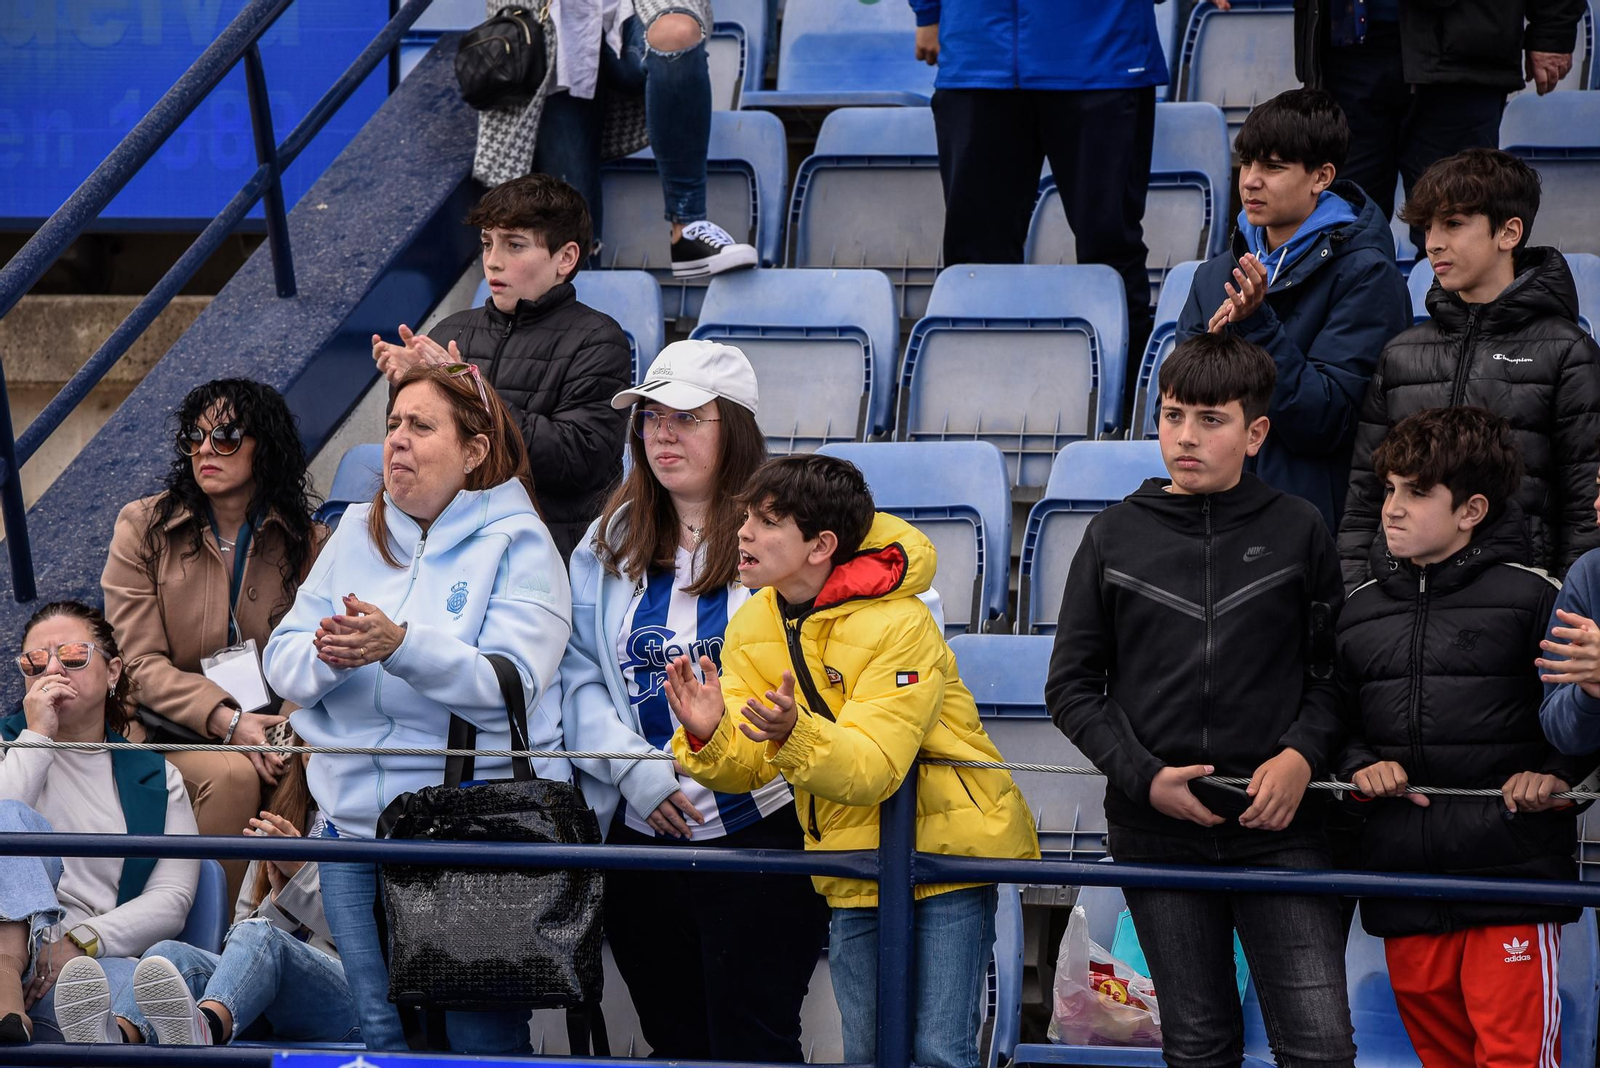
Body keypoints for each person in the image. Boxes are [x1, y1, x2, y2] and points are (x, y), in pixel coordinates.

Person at [662, 454, 1039, 1068]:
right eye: (745, 519)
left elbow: (873, 766)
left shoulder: (902, 620)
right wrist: (711, 735)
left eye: (767, 521)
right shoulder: (755, 617)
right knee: (867, 1055)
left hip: (948, 849)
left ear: (821, 545)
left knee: (939, 1056)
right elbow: (750, 767)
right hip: (849, 856)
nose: (745, 534)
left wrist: (791, 734)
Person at [1046, 333, 1356, 1067]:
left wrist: (1300, 758)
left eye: (1210, 419)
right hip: (1156, 831)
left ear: (1256, 433)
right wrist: (1143, 777)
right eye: (1173, 415)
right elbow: (1070, 686)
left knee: (1319, 1047)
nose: (1185, 436)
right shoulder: (1113, 534)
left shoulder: (1300, 529)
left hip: (1283, 827)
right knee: (1197, 1044)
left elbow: (1337, 675)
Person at [262, 363, 573, 1055]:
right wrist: (332, 655)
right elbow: (280, 658)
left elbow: (511, 686)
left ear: (475, 449)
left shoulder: (520, 541)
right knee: (378, 1031)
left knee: (475, 1039)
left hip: (470, 831)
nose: (397, 441)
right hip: (350, 828)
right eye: (393, 424)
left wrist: (399, 647)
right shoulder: (351, 535)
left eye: (421, 426)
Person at [559, 340, 829, 1061]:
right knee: (672, 1040)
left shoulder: (790, 536)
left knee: (756, 1040)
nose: (662, 434)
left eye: (685, 416)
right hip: (645, 834)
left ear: (733, 426)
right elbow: (576, 675)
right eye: (650, 417)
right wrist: (636, 775)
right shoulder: (609, 537)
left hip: (766, 828)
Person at [1335, 406, 1592, 1068]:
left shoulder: (1537, 598)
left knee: (1514, 1059)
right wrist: (1361, 769)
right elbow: (1336, 725)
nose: (1392, 508)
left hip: (1512, 882)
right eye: (1389, 488)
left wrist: (1558, 778)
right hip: (1404, 885)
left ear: (1472, 509)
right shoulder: (1357, 611)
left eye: (1417, 491)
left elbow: (1581, 719)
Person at [101, 378, 325, 907]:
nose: (205, 449)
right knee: (229, 776)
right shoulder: (144, 528)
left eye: (225, 436)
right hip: (162, 728)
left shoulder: (309, 541)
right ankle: (214, 946)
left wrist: (286, 734)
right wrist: (230, 723)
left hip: (271, 729)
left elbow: (318, 654)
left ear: (262, 446)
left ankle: (284, 935)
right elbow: (137, 664)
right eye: (194, 437)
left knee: (313, 763)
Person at [1338, 149, 1600, 590]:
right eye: (1427, 228)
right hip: (1398, 604)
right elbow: (1365, 499)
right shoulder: (1401, 354)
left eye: (1453, 224)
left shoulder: (1568, 352)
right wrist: (1358, 596)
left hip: (1519, 606)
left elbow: (1584, 507)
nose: (1433, 243)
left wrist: (1559, 612)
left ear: (1509, 232)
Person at [1177, 88, 1410, 533]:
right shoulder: (1214, 275)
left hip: (1308, 524)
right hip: (1210, 517)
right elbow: (1178, 403)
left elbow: (1327, 421)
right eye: (1247, 163)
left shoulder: (1367, 275)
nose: (1250, 180)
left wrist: (1256, 324)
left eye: (1273, 167)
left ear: (1321, 176)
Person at [369, 175, 632, 560]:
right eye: (488, 243)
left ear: (566, 258)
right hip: (446, 548)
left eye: (515, 245)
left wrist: (472, 390)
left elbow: (579, 460)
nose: (492, 260)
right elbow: (422, 449)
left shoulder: (599, 339)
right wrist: (409, 389)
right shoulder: (452, 330)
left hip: (548, 554)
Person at [911, 0, 1167, 368]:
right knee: (976, 260)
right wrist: (928, 10)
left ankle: (1127, 407)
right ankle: (977, 406)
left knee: (1110, 248)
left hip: (1102, 54)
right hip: (978, 55)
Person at [61, 733, 357, 1047]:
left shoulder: (373, 825)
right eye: (309, 729)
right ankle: (115, 1039)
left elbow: (375, 945)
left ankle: (207, 1029)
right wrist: (281, 904)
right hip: (270, 1008)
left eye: (331, 728)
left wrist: (301, 883)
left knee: (261, 936)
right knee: (167, 954)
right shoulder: (281, 821)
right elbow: (241, 935)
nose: (316, 741)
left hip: (353, 1000)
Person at [0, 601, 198, 1045]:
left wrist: (81, 940)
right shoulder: (7, 747)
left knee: (162, 995)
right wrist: (37, 735)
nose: (52, 668)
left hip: (88, 959)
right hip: (12, 945)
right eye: (35, 661)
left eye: (71, 655)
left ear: (112, 672)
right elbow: (2, 825)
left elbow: (172, 897)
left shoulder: (157, 776)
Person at [1283, 0, 1582, 247]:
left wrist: (1553, 28)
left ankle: (1456, 321)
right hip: (1343, 55)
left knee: (1458, 222)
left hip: (1463, 55)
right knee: (1343, 227)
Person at [529, 0, 758, 277]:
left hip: (632, 12)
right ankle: (571, 303)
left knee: (676, 33)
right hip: (551, 24)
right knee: (568, 247)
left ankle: (687, 228)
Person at [1538, 462, 1600, 754]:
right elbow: (1562, 734)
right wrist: (1590, 691)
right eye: (1599, 487)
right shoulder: (1590, 573)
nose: (1597, 504)